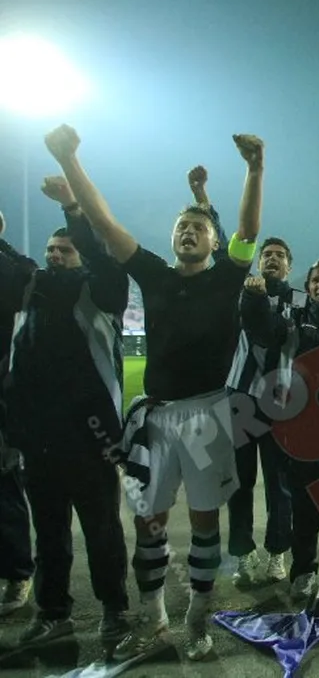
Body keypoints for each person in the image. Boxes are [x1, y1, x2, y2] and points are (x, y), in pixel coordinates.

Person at [43, 124, 266, 660]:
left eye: (198, 226)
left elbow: (248, 227)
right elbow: (104, 224)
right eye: (181, 226)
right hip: (155, 419)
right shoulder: (153, 273)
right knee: (149, 522)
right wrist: (71, 160)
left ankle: (198, 618)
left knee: (206, 523)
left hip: (208, 414)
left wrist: (256, 169)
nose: (188, 231)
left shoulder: (228, 276)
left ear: (214, 241)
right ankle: (155, 620)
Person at [0, 177, 131, 646]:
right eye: (51, 250)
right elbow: (13, 266)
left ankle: (114, 611)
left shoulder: (102, 291)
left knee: (102, 533)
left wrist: (72, 209)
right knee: (49, 535)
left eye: (65, 250)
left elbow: (100, 253)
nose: (55, 256)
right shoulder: (32, 291)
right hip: (40, 440)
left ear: (82, 256)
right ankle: (54, 613)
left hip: (92, 439)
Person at [242, 258, 319, 600]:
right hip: (304, 432)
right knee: (305, 513)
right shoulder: (291, 320)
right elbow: (261, 330)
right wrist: (254, 299)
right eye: (316, 280)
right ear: (307, 288)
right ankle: (304, 572)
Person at [225, 215, 297, 587]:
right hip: (241, 396)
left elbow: (278, 334)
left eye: (279, 255)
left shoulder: (298, 301)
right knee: (240, 481)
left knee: (278, 483)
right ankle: (243, 552)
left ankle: (277, 551)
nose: (272, 259)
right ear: (258, 261)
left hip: (279, 401)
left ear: (289, 266)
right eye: (267, 254)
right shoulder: (240, 293)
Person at [0, 209, 36, 619]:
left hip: (3, 398)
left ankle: (16, 572)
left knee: (4, 486)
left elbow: (26, 272)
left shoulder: (11, 273)